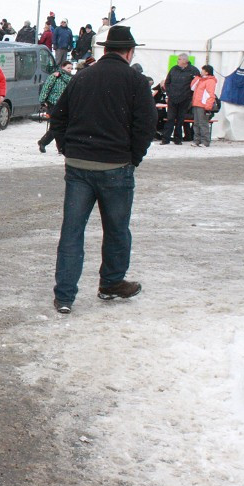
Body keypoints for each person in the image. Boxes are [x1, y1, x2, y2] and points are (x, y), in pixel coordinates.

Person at [46, 25, 156, 314]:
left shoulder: (82, 77)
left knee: (72, 232)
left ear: (105, 49)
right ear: (129, 52)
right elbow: (146, 125)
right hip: (116, 166)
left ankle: (65, 296)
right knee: (117, 229)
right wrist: (134, 157)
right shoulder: (135, 80)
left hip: (79, 165)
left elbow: (57, 118)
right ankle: (111, 283)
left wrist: (67, 149)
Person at [161, 53, 201, 145]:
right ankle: (165, 139)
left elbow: (196, 85)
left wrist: (189, 96)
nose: (177, 61)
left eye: (179, 59)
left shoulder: (193, 70)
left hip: (185, 99)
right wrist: (169, 93)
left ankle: (178, 139)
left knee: (180, 119)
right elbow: (167, 82)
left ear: (185, 61)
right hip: (172, 98)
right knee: (170, 118)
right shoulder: (174, 69)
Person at [190, 65, 218, 147]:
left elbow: (210, 94)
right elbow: (192, 87)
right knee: (196, 123)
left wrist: (208, 106)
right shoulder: (200, 80)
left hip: (203, 105)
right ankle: (196, 140)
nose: (201, 72)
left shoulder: (210, 81)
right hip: (196, 103)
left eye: (202, 70)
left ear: (207, 72)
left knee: (203, 123)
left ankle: (205, 141)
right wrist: (197, 78)